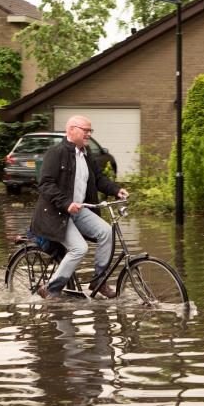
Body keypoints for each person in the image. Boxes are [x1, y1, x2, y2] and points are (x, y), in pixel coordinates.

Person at [29, 115, 128, 299]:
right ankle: (51, 288)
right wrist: (66, 203)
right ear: (71, 130)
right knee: (79, 248)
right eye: (86, 130)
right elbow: (45, 184)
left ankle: (99, 280)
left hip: (79, 211)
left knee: (107, 232)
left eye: (90, 131)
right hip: (56, 213)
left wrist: (116, 190)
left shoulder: (87, 153)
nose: (89, 134)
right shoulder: (55, 153)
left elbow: (98, 179)